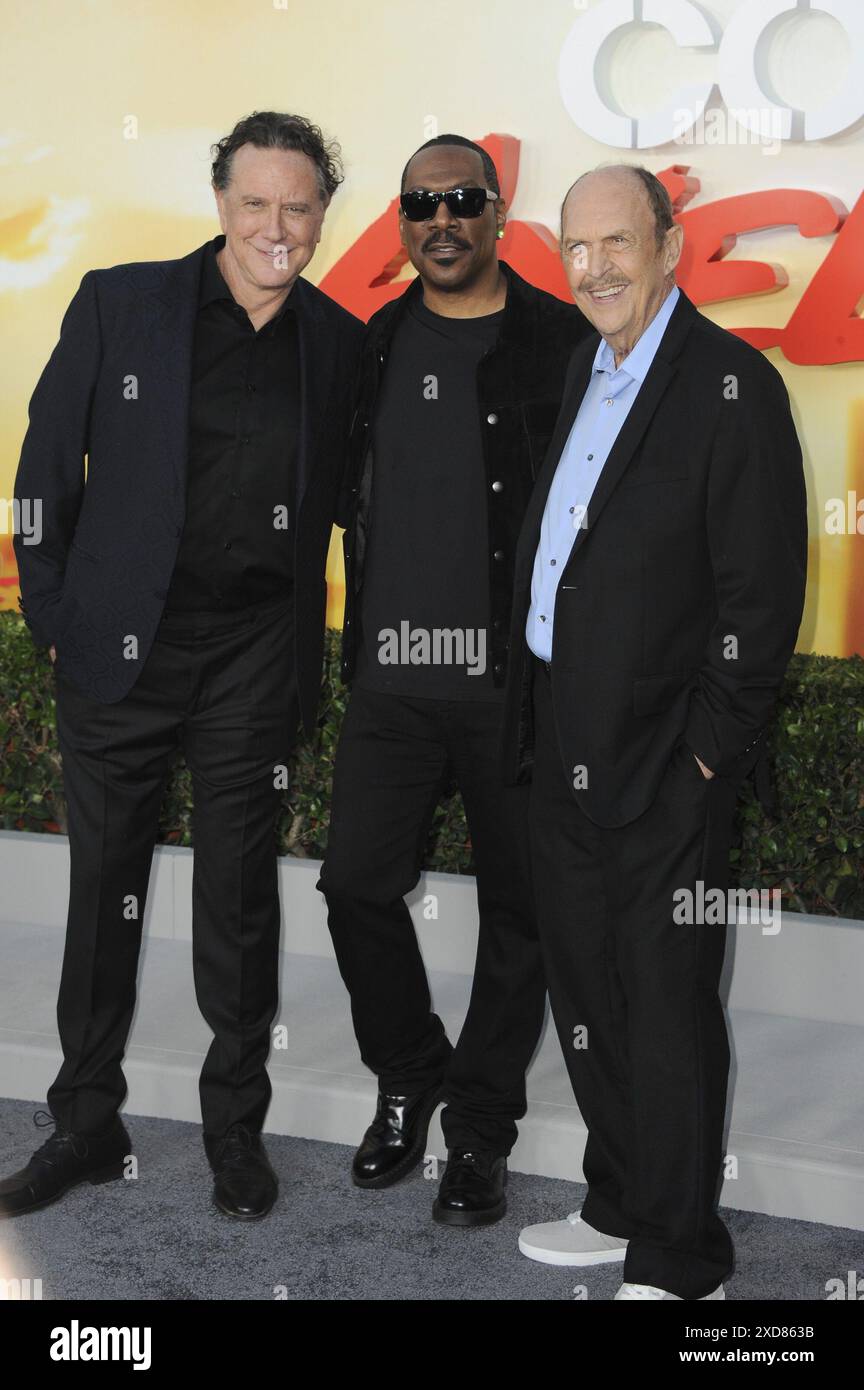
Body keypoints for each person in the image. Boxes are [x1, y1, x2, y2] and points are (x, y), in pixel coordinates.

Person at [4, 111, 362, 1223]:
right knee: (104, 888)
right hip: (120, 650)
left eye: (297, 207)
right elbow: (40, 463)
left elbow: (360, 504)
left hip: (254, 657)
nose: (275, 225)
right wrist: (53, 611)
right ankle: (83, 1120)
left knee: (239, 901)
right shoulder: (123, 302)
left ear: (319, 217)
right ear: (221, 203)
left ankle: (231, 1132)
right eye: (254, 202)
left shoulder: (339, 343)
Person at [502, 164, 807, 1296]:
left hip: (663, 763)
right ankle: (622, 1198)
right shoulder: (584, 366)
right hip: (561, 740)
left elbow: (761, 605)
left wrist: (702, 760)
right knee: (585, 989)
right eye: (576, 249)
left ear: (671, 245)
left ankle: (682, 1251)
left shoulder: (734, 387)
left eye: (617, 243)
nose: (594, 269)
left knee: (665, 1003)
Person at [318, 135, 591, 1226]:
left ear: (496, 213)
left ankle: (478, 1133)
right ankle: (408, 1069)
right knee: (352, 886)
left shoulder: (559, 343)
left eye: (462, 200)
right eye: (422, 202)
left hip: (509, 688)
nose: (442, 219)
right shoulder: (374, 342)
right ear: (402, 218)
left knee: (518, 916)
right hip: (391, 683)